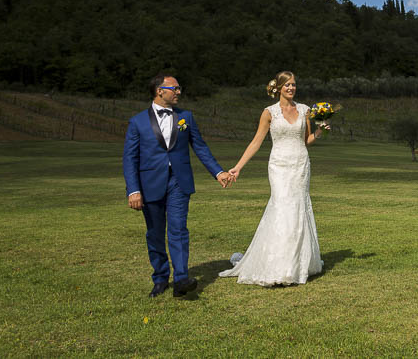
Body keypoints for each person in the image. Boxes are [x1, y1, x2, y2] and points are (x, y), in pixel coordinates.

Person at [123, 74, 232, 298]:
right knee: (154, 234)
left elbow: (200, 147)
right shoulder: (137, 122)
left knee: (178, 229)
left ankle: (181, 279)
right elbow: (129, 159)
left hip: (179, 183)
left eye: (179, 88)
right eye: (175, 88)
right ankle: (161, 278)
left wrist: (218, 171)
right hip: (149, 184)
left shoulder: (187, 117)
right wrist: (133, 190)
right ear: (159, 91)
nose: (179, 92)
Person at [219, 71, 325, 286]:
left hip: (300, 164)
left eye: (294, 84)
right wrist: (238, 167)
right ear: (277, 87)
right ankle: (277, 265)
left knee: (297, 210)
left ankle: (295, 264)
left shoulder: (304, 110)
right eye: (287, 85)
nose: (291, 88)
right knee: (282, 207)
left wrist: (321, 131)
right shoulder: (269, 112)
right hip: (279, 166)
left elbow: (307, 140)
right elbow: (256, 142)